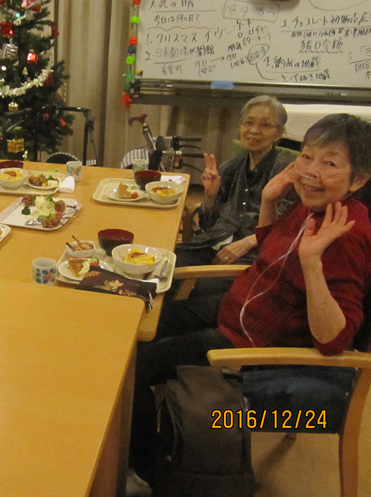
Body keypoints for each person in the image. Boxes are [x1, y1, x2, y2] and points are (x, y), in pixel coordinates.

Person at [130, 113, 371, 485]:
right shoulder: (314, 207)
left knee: (131, 370)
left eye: (330, 163)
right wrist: (268, 201)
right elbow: (273, 250)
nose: (310, 171)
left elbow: (334, 340)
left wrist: (311, 262)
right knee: (134, 321)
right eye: (306, 157)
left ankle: (156, 472)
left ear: (359, 179)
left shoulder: (346, 235)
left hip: (248, 346)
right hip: (236, 310)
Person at [176, 95, 298, 268]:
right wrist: (210, 195)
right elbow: (208, 225)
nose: (254, 130)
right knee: (169, 262)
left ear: (278, 134)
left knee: (206, 286)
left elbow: (289, 227)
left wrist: (248, 242)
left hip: (253, 253)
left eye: (265, 125)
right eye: (248, 123)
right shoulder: (230, 168)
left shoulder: (286, 173)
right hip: (214, 242)